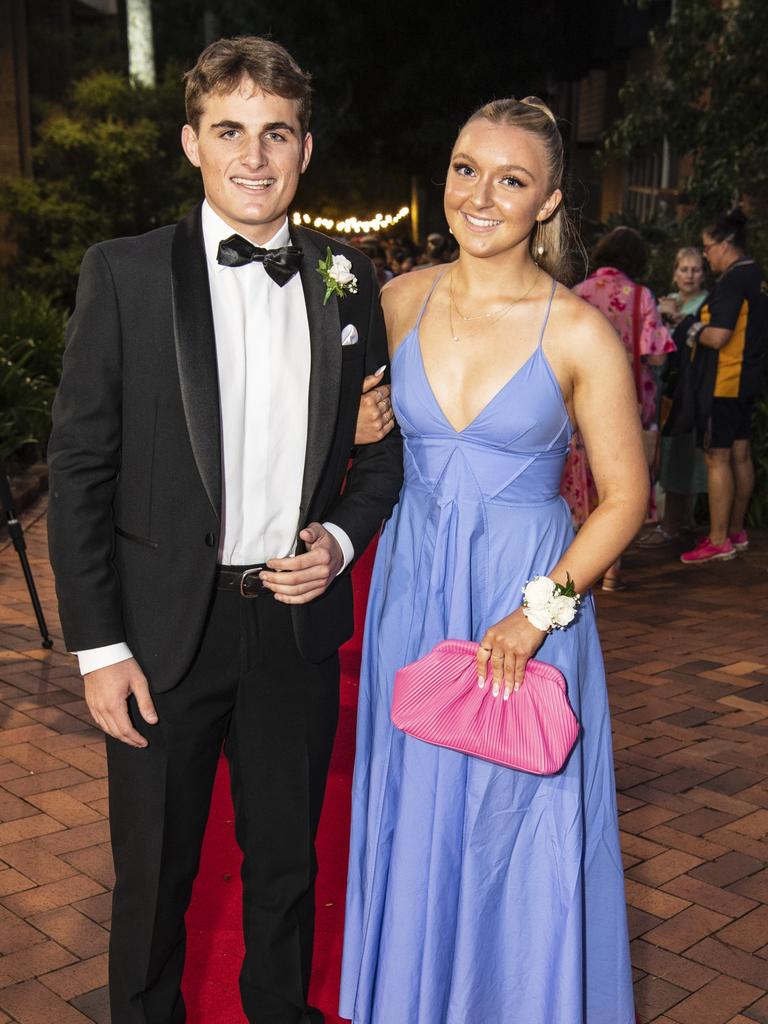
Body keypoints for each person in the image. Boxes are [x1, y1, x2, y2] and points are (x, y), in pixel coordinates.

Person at [47, 36, 403, 1024]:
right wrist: (100, 646)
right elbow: (78, 469)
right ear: (192, 142)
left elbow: (380, 453)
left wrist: (336, 539)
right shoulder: (124, 275)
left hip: (289, 628)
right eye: (231, 131)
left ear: (305, 148)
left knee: (288, 868)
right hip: (162, 634)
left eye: (276, 133)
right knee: (154, 880)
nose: (255, 155)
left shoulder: (345, 277)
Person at [340, 96, 647, 1024]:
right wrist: (354, 430)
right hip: (413, 586)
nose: (481, 194)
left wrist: (537, 612)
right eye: (467, 168)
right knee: (421, 806)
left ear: (548, 202)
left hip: (526, 601)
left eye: (511, 179)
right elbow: (348, 452)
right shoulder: (398, 301)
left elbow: (629, 499)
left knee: (517, 821)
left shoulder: (578, 330)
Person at [560, 226, 675, 588]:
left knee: (583, 474)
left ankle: (581, 561)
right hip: (628, 397)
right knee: (620, 480)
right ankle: (611, 567)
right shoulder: (640, 296)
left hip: (578, 399)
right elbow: (656, 357)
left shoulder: (576, 295)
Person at [679, 207, 768, 564]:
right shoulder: (757, 275)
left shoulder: (733, 280)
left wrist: (687, 325)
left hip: (724, 382)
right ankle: (735, 531)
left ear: (726, 245)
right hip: (749, 380)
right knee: (740, 455)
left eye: (707, 247)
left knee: (717, 457)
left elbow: (718, 336)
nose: (705, 254)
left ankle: (718, 540)